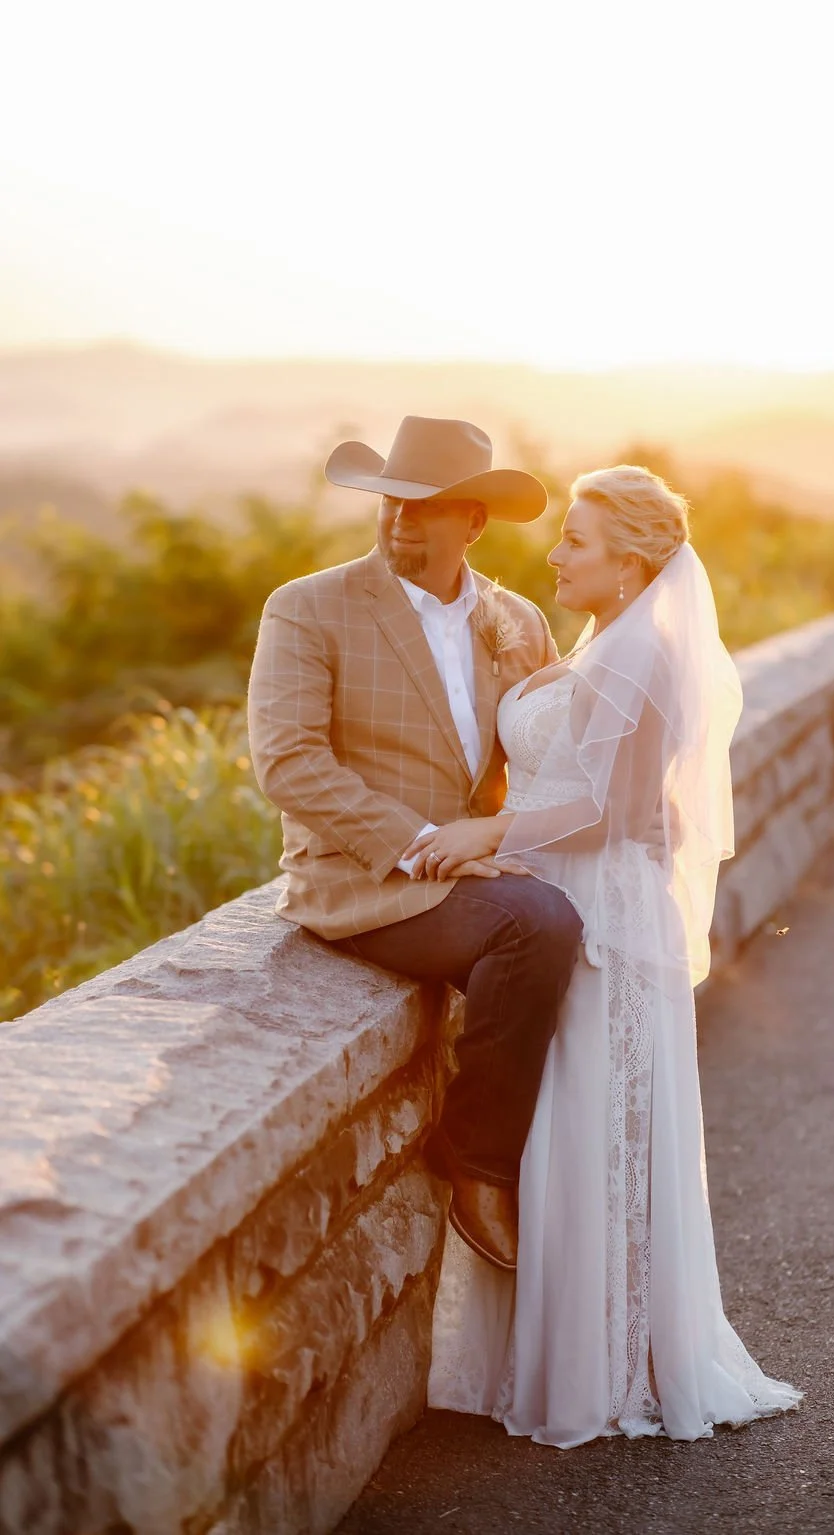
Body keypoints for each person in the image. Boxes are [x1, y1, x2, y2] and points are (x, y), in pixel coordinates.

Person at [418, 465, 803, 1446]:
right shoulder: (612, 641)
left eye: (576, 542)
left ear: (629, 564)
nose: (554, 553)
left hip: (599, 916)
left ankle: (612, 1364)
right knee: (577, 1125)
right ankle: (587, 1349)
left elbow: (616, 812)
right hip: (573, 901)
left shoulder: (633, 655)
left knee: (598, 1127)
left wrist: (485, 836)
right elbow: (652, 800)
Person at [247, 415, 584, 1275]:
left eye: (424, 505)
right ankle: (476, 1164)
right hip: (362, 882)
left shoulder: (518, 621)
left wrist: (502, 842)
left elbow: (549, 763)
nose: (399, 518)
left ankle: (585, 1185)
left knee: (594, 926)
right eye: (391, 499)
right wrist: (428, 844)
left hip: (482, 872)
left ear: (472, 522)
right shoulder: (308, 607)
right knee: (536, 925)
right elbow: (289, 762)